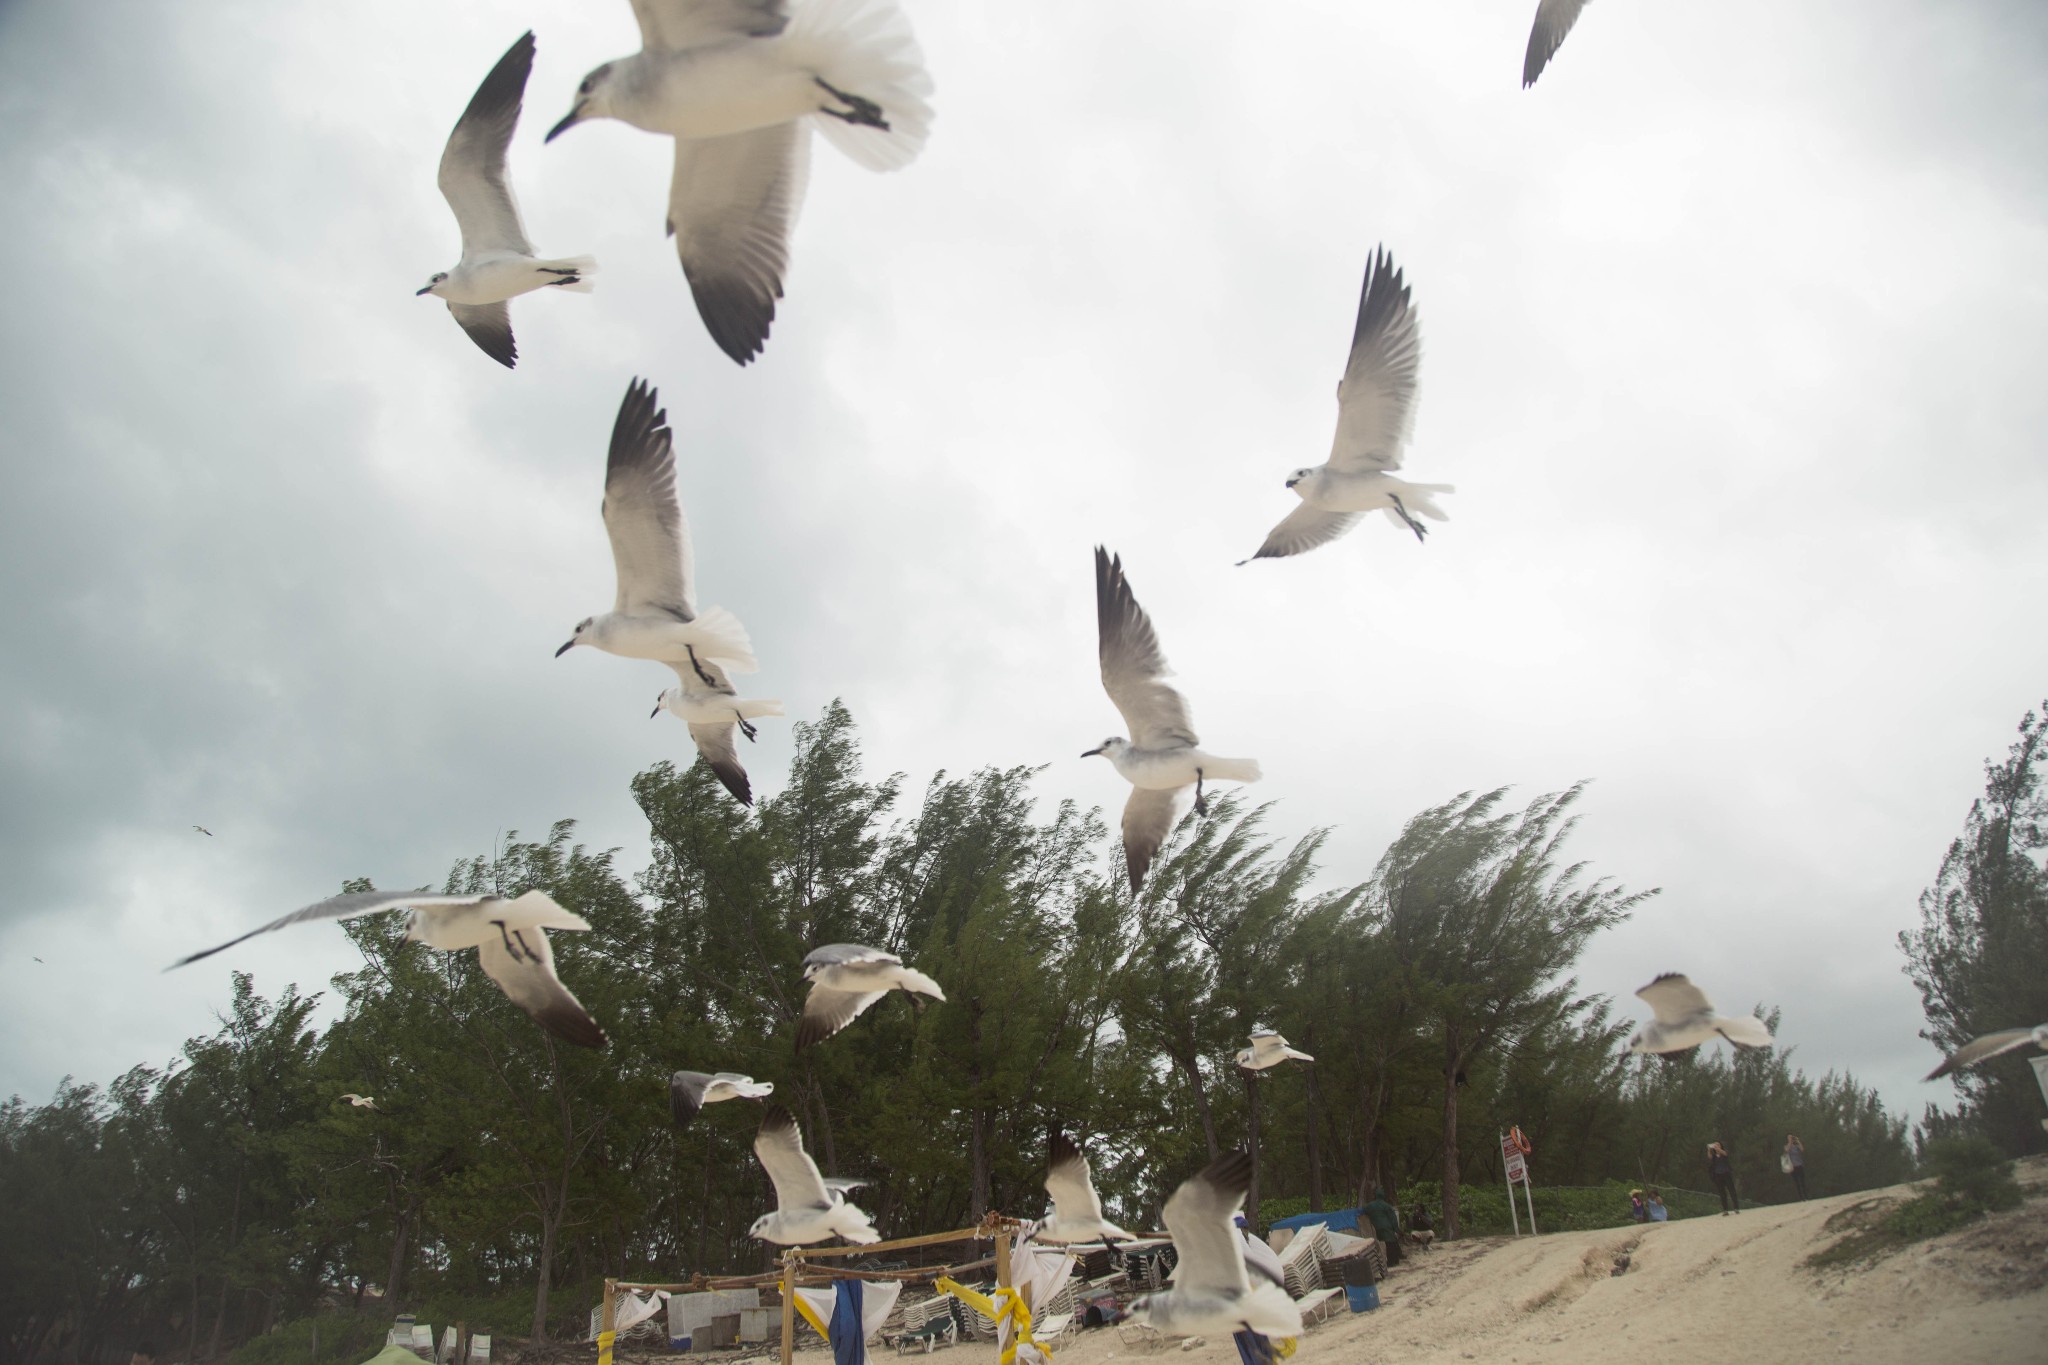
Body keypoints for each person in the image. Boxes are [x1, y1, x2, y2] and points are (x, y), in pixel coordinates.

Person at [1361, 1188, 1403, 1267]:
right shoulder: (1386, 1206)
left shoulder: (1370, 1205)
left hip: (1376, 1227)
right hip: (1387, 1226)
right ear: (1383, 1196)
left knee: (1382, 1243)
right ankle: (1392, 1261)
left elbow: (1364, 1210)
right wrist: (1396, 1229)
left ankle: (1389, 1260)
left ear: (1375, 1196)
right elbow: (1393, 1218)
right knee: (1390, 1243)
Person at [1706, 1142, 1740, 1214]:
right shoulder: (1714, 1156)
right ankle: (1725, 1210)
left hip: (1726, 1173)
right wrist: (1709, 1150)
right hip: (1718, 1175)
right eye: (1715, 1145)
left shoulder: (1724, 1153)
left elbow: (1725, 1154)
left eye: (1718, 1144)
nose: (1716, 1146)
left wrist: (1718, 1149)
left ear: (1721, 1146)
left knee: (1732, 1191)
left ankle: (1736, 1207)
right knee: (1722, 1193)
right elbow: (1710, 1157)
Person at [1784, 1134, 1808, 1200]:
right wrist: (1790, 1142)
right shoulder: (1787, 1146)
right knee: (1797, 1182)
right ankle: (1801, 1197)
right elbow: (1786, 1150)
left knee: (1802, 1181)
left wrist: (1798, 1141)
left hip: (1799, 1165)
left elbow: (1802, 1149)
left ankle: (1806, 1196)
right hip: (1793, 1167)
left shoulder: (1796, 1146)